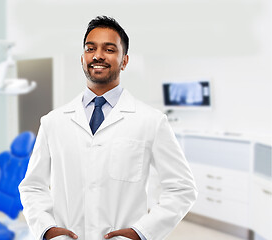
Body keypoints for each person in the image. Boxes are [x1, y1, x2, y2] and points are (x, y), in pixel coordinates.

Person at [19, 16, 198, 240]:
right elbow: (32, 187)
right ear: (82, 59)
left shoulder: (151, 121)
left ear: (124, 61)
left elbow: (182, 189)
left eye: (109, 49)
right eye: (90, 48)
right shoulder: (53, 121)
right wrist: (47, 230)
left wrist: (141, 233)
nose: (98, 55)